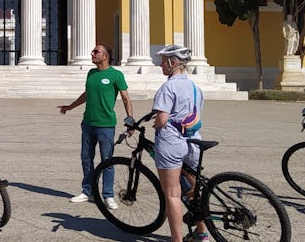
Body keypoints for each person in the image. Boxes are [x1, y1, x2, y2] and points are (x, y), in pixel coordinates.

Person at [58, 43, 134, 210]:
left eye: (96, 51)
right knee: (86, 158)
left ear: (105, 56)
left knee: (107, 161)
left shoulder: (116, 75)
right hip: (88, 124)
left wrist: (130, 119)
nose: (92, 54)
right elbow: (86, 94)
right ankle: (88, 191)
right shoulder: (91, 73)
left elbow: (126, 98)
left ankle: (108, 195)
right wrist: (70, 107)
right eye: (93, 51)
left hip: (106, 125)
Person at [150, 44, 208, 242]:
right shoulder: (194, 87)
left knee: (173, 194)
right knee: (194, 190)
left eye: (163, 61)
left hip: (172, 142)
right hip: (193, 141)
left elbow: (163, 119)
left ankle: (177, 240)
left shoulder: (168, 87)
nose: (160, 65)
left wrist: (156, 125)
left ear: (173, 63)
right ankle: (202, 234)